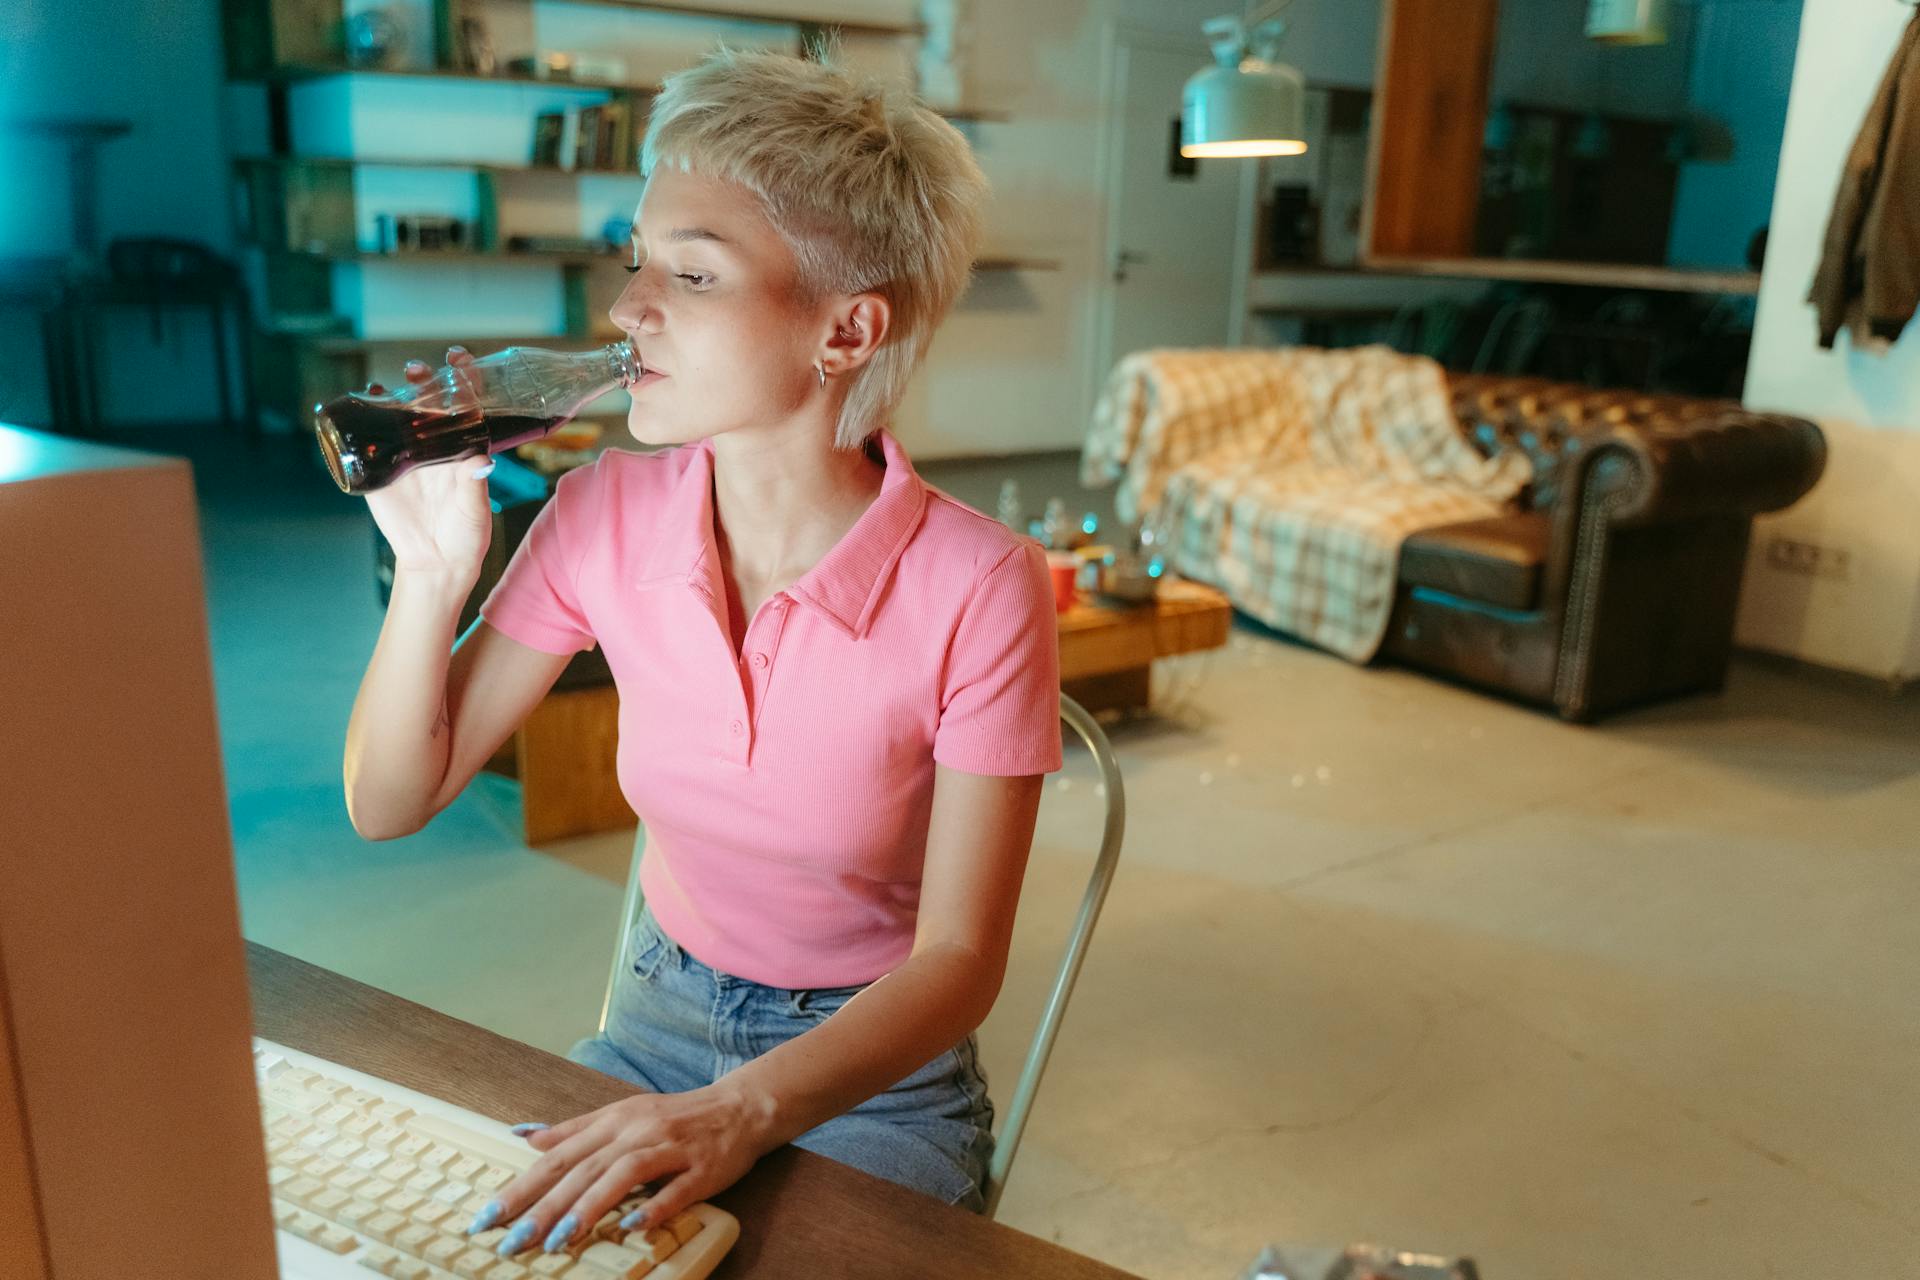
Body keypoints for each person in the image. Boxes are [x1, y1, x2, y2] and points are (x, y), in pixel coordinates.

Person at [342, 45, 1063, 1260]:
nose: (628, 310)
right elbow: (386, 801)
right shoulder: (599, 516)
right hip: (654, 1020)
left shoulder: (981, 585)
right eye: (637, 262)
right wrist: (429, 571)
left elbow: (958, 959)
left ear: (847, 329)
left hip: (874, 1068)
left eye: (692, 272)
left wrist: (741, 1111)